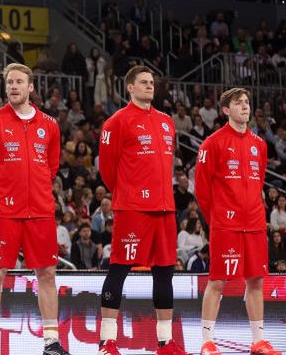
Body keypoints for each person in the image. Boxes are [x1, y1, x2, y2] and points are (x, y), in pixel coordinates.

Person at [0, 63, 69, 355]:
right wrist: (1, 195)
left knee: (47, 275)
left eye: (19, 82)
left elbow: (51, 167)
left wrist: (34, 192)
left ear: (30, 87)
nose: (13, 86)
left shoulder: (50, 125)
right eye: (9, 82)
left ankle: (51, 341)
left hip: (40, 211)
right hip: (5, 212)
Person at [97, 66, 186, 355]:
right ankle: (106, 342)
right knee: (119, 269)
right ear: (130, 88)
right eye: (144, 83)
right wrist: (128, 193)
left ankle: (165, 343)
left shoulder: (166, 121)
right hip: (133, 208)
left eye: (152, 82)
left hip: (164, 208)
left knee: (165, 273)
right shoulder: (116, 122)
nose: (150, 86)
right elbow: (108, 170)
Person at [195, 88, 282, 355]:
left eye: (246, 102)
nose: (245, 106)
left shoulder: (259, 144)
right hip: (226, 224)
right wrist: (218, 218)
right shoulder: (212, 143)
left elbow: (257, 185)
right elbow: (201, 190)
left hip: (255, 223)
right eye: (238, 103)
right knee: (217, 281)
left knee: (256, 281)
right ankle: (207, 342)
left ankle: (258, 341)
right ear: (225, 110)